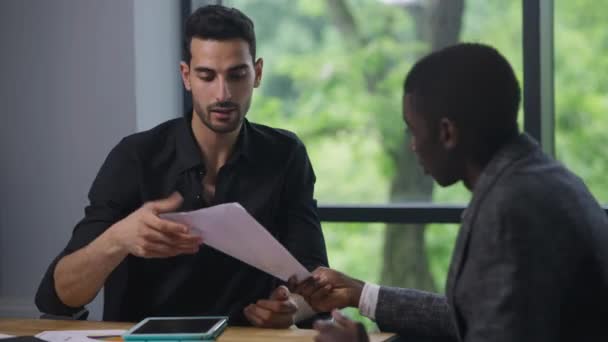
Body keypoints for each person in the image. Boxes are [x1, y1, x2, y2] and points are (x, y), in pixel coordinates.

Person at [35, 5, 328, 328]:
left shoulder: (285, 155)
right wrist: (118, 238)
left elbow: (314, 283)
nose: (223, 93)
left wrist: (291, 309)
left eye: (237, 74)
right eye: (207, 75)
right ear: (186, 76)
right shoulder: (135, 156)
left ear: (257, 73)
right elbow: (57, 297)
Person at [294, 43, 608, 341]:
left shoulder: (510, 211)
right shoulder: (544, 179)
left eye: (413, 130)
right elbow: (472, 315)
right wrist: (361, 294)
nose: (413, 146)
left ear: (447, 132)